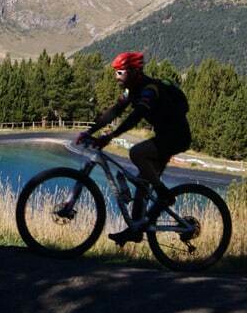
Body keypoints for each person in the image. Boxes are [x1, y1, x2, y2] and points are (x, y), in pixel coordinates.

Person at [75, 51, 191, 246]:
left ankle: (164, 194)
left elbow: (135, 117)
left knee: (136, 153)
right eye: (116, 72)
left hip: (176, 137)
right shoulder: (132, 91)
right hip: (165, 137)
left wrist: (110, 136)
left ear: (134, 72)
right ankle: (136, 230)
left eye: (120, 72)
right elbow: (113, 112)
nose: (116, 76)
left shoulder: (149, 90)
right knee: (142, 184)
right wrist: (90, 131)